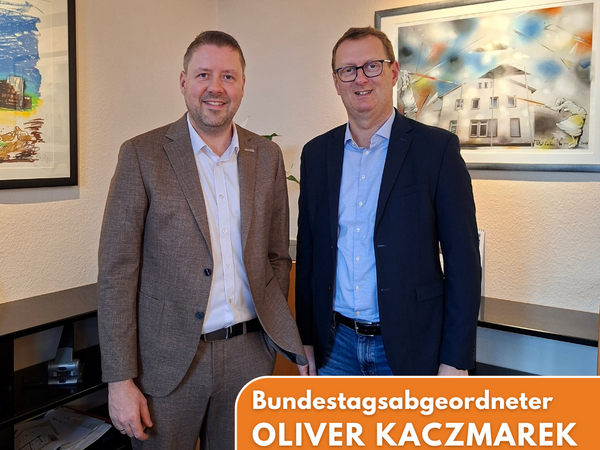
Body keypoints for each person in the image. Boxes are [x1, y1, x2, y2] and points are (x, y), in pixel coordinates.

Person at [97, 30, 306, 450]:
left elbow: (276, 255)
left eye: (228, 76)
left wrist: (267, 335)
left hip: (249, 357)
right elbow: (117, 272)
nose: (216, 87)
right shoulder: (142, 154)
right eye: (203, 75)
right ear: (183, 82)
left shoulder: (266, 157)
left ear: (242, 85)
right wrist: (120, 380)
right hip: (168, 362)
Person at [295, 27, 480, 377]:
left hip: (412, 348)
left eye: (372, 66)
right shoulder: (316, 155)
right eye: (347, 70)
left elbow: (463, 263)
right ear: (336, 82)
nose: (360, 78)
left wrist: (455, 360)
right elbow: (309, 257)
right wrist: (304, 339)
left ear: (393, 72)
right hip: (335, 348)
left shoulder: (436, 151)